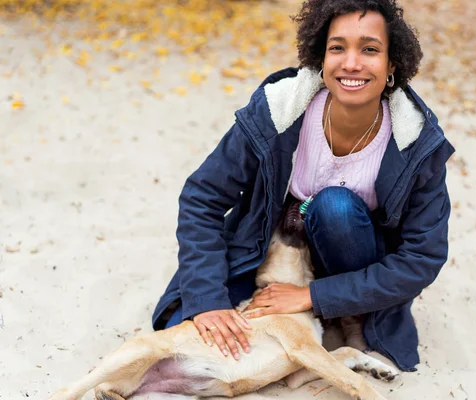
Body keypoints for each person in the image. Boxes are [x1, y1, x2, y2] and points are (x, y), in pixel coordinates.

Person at [152, 0, 455, 372]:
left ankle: (349, 317)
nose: (352, 63)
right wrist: (207, 299)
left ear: (392, 65)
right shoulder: (279, 110)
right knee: (183, 328)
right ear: (320, 57)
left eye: (370, 49)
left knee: (335, 206)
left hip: (349, 262)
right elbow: (203, 197)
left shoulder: (417, 142)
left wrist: (312, 295)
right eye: (337, 47)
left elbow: (421, 258)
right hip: (269, 249)